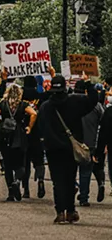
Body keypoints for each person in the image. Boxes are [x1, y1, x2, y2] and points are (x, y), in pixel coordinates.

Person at [39, 73, 98, 224]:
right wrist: (87, 83)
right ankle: (71, 210)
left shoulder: (46, 107)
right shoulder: (75, 102)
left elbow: (41, 128)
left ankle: (60, 212)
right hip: (71, 149)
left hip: (53, 149)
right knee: (70, 179)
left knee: (57, 180)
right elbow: (93, 100)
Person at [0, 84, 37, 202]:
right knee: (21, 163)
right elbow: (34, 114)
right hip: (19, 135)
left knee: (8, 165)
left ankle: (11, 193)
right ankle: (17, 181)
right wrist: (29, 127)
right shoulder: (23, 105)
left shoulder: (3, 104)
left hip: (5, 135)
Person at [73, 79, 104, 206]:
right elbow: (103, 121)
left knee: (69, 170)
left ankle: (73, 187)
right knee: (85, 172)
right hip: (89, 142)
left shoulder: (70, 102)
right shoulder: (96, 106)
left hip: (73, 142)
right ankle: (84, 197)